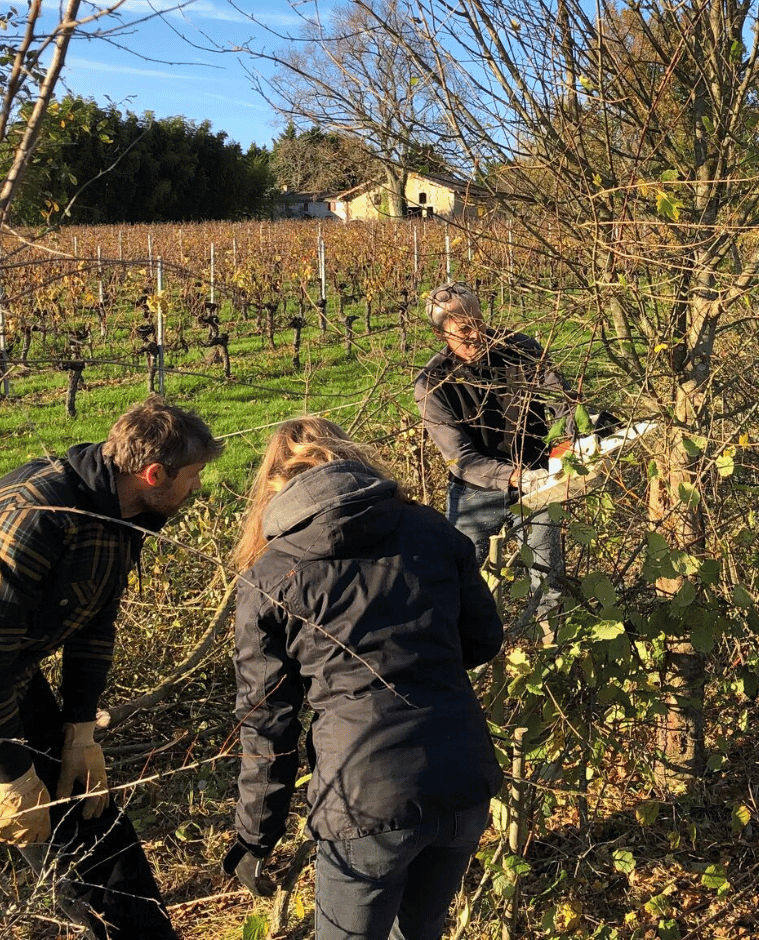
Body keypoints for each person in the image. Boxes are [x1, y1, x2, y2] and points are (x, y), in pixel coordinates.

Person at [0, 397, 222, 940]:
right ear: (153, 473)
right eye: (191, 476)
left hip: (1, 667)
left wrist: (78, 730)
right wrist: (10, 774)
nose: (196, 489)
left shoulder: (124, 511)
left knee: (89, 816)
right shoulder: (36, 519)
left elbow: (94, 624)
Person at [223, 417, 503, 940]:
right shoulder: (432, 530)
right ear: (352, 459)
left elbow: (268, 722)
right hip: (462, 777)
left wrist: (255, 836)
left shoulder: (271, 575)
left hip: (363, 794)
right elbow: (484, 640)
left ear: (275, 487)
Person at [413, 281, 569, 620]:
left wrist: (570, 443)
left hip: (539, 474)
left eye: (480, 323)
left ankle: (549, 643)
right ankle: (472, 655)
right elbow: (461, 459)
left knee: (548, 579)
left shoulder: (522, 348)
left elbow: (562, 401)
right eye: (464, 329)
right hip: (476, 491)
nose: (477, 335)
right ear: (442, 335)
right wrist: (514, 478)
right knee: (461, 579)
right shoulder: (432, 384)